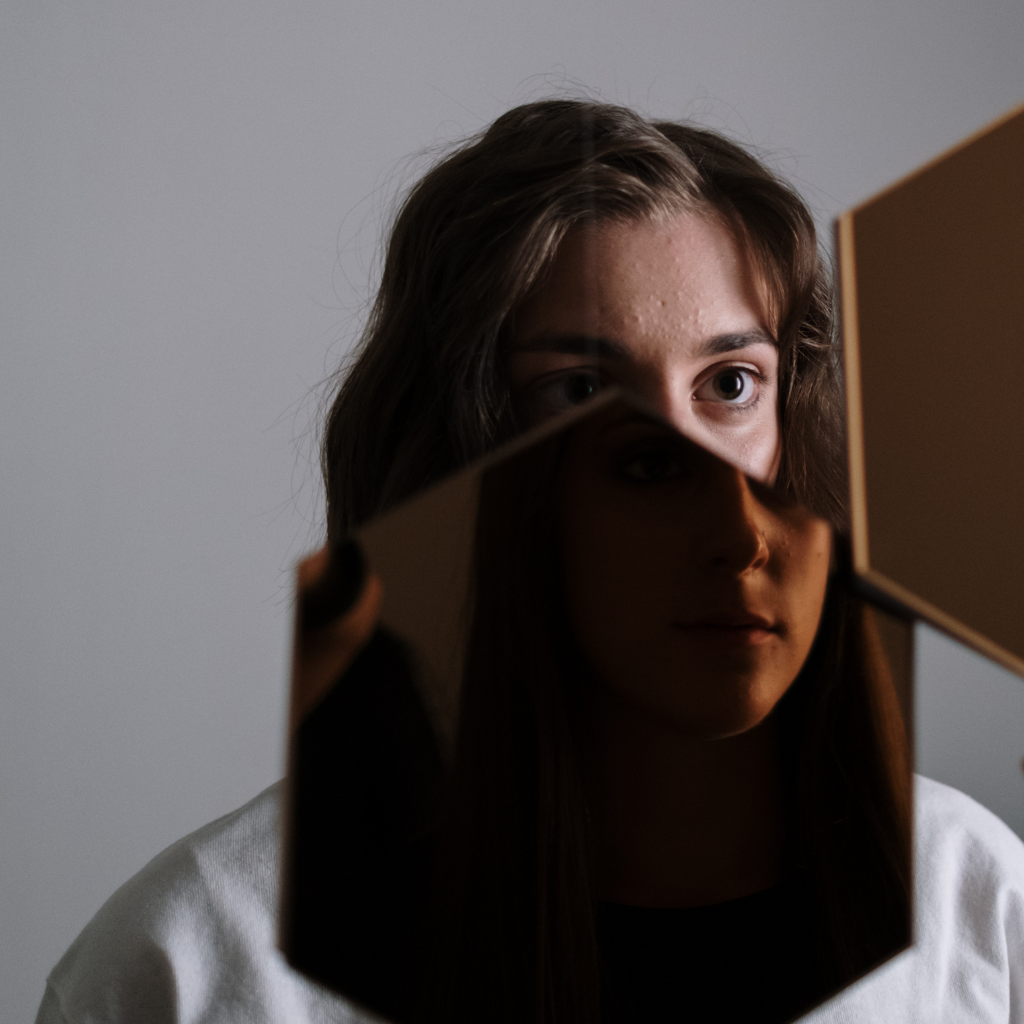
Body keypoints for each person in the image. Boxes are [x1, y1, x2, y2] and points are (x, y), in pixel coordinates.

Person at [36, 100, 1024, 1024]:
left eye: (729, 382)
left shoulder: (968, 896)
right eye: (581, 386)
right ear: (457, 437)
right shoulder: (199, 957)